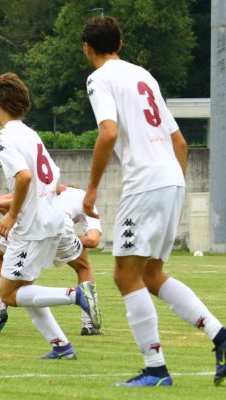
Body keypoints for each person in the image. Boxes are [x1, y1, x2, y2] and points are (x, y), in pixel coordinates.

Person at [82, 15, 226, 386]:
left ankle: (155, 368)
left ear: (87, 49)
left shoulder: (99, 79)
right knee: (151, 274)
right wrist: (172, 182)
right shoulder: (144, 75)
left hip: (145, 183)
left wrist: (93, 189)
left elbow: (108, 132)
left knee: (124, 275)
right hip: (172, 181)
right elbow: (181, 143)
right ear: (121, 43)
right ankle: (219, 334)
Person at [0, 72, 100, 359]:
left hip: (31, 226)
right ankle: (61, 346)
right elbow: (55, 177)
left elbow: (23, 178)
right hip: (55, 220)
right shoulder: (31, 134)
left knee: (10, 295)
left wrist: (12, 215)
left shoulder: (2, 138)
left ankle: (76, 295)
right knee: (26, 287)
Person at [0, 184, 103, 336]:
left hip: (26, 228)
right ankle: (87, 325)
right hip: (59, 228)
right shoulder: (82, 196)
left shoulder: (40, 187)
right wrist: (62, 241)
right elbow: (93, 240)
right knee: (83, 267)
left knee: (1, 264)